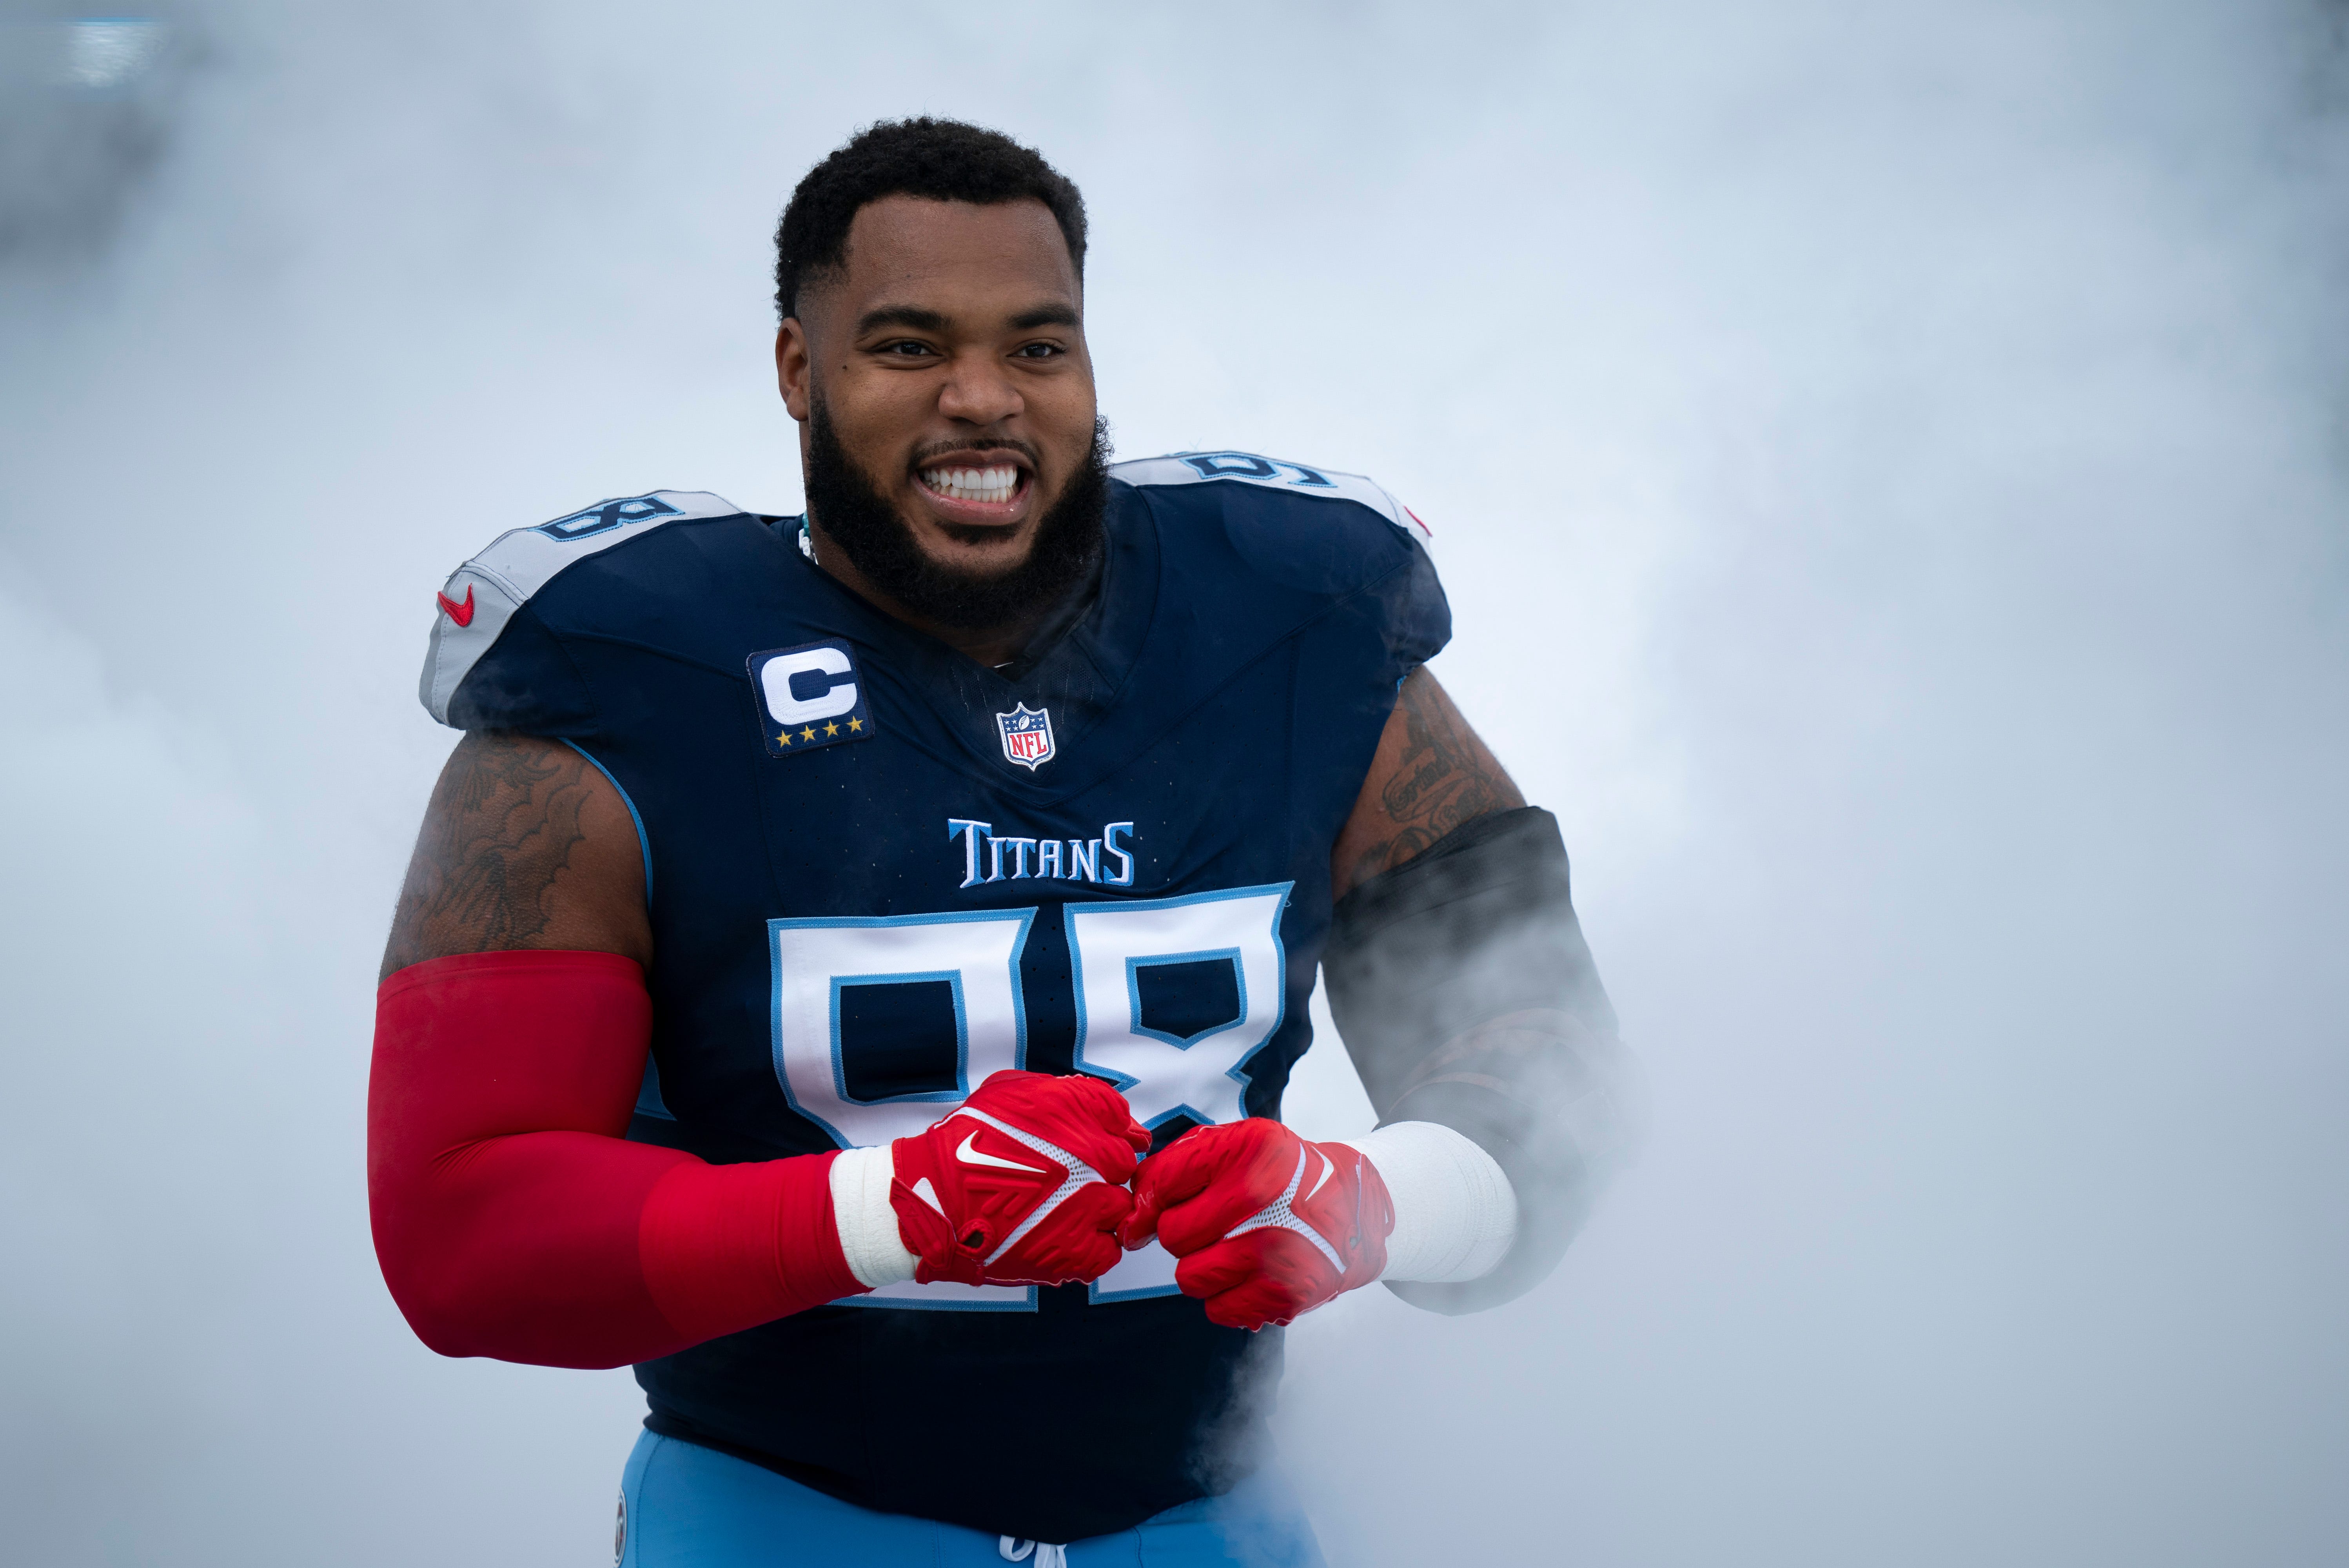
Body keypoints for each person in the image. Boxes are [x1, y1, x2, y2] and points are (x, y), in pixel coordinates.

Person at [369, 118, 1636, 1567]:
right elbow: (463, 1235)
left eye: (1040, 348)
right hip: (791, 1514)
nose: (984, 400)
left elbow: (1560, 1083)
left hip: (1208, 1514)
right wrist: (888, 1208)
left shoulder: (1297, 623)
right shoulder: (630, 676)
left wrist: (1375, 1199)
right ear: (797, 371)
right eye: (908, 347)